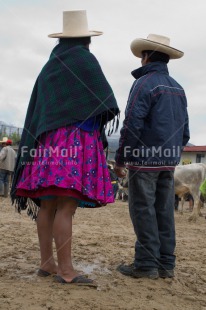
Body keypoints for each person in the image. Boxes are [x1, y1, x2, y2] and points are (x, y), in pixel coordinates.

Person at [11, 10, 119, 286]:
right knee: (67, 206)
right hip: (74, 144)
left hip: (47, 146)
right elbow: (104, 100)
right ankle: (67, 271)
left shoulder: (50, 65)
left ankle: (47, 263)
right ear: (87, 39)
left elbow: (39, 111)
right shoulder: (85, 60)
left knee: (48, 204)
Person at [114, 34, 190, 279]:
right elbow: (185, 131)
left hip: (144, 160)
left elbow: (132, 124)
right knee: (164, 210)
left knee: (143, 210)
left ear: (145, 56)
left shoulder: (143, 84)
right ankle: (166, 264)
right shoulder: (178, 88)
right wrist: (172, 154)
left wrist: (121, 158)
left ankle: (146, 264)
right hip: (168, 162)